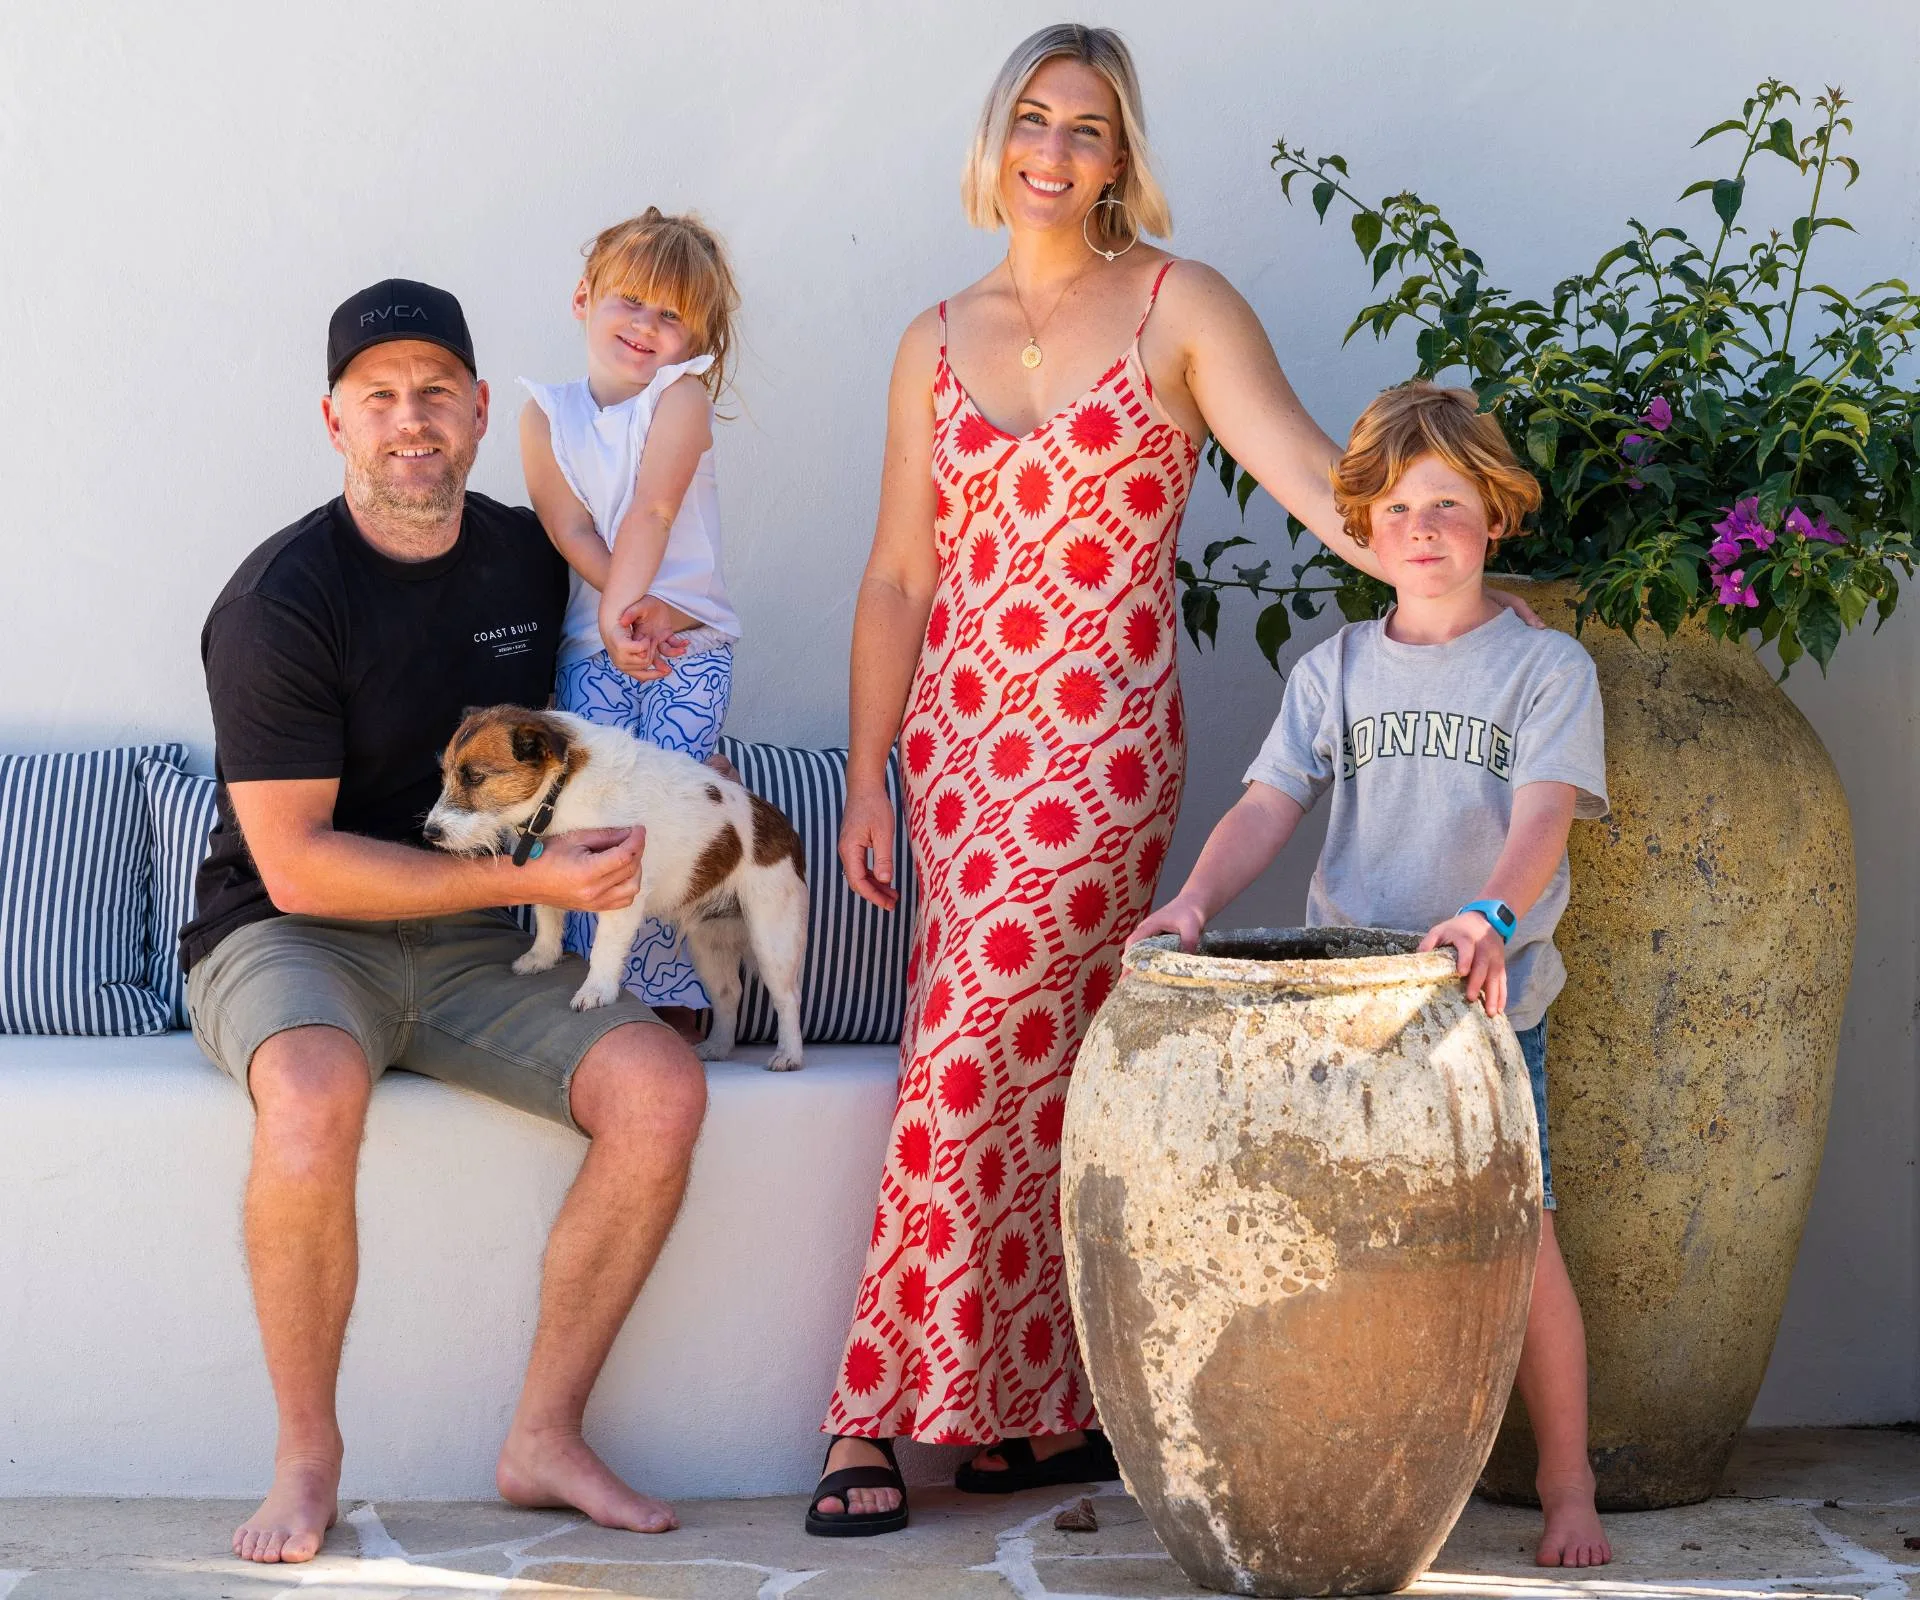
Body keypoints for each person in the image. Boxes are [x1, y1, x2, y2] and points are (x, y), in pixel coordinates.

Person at [809, 23, 1544, 1536]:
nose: (1055, 151)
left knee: (974, 1041)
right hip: (955, 744)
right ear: (995, 137)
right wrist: (869, 771)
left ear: (1122, 155)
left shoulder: (1175, 303)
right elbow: (896, 576)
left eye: (1088, 128)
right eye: (1034, 119)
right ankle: (1025, 1420)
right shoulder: (930, 339)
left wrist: (1443, 583)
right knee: (1024, 1064)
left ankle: (865, 1418)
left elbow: (1305, 477)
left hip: (1096, 741)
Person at [181, 279, 707, 1564]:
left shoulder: (528, 552)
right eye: (379, 399)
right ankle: (308, 1460)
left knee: (659, 1090)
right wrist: (529, 884)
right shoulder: (279, 601)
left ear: (479, 412)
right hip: (294, 934)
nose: (410, 421)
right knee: (306, 1091)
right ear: (334, 422)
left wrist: (648, 639)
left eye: (435, 394)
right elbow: (298, 868)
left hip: (483, 939)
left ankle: (545, 1438)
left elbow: (614, 662)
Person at [1131, 382, 1613, 1569]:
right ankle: (1342, 1466)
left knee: (1521, 1239)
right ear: (1363, 525)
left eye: (1450, 503)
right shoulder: (1334, 671)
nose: (1424, 528)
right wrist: (1194, 900)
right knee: (1336, 1241)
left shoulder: (1544, 672)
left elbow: (1544, 815)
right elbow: (1267, 804)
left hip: (1479, 1013)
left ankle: (1566, 1483)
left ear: (1497, 516)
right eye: (1396, 507)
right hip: (1344, 1015)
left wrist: (1492, 913)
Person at [519, 209, 744, 1040]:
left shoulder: (678, 401)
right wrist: (615, 620)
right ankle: (590, 991)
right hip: (597, 646)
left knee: (665, 814)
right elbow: (571, 529)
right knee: (589, 814)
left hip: (684, 639)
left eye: (671, 315)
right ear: (585, 299)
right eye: (630, 302)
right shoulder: (544, 416)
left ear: (694, 338)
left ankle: (672, 1004)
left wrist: (637, 620)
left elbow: (652, 508)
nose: (646, 327)